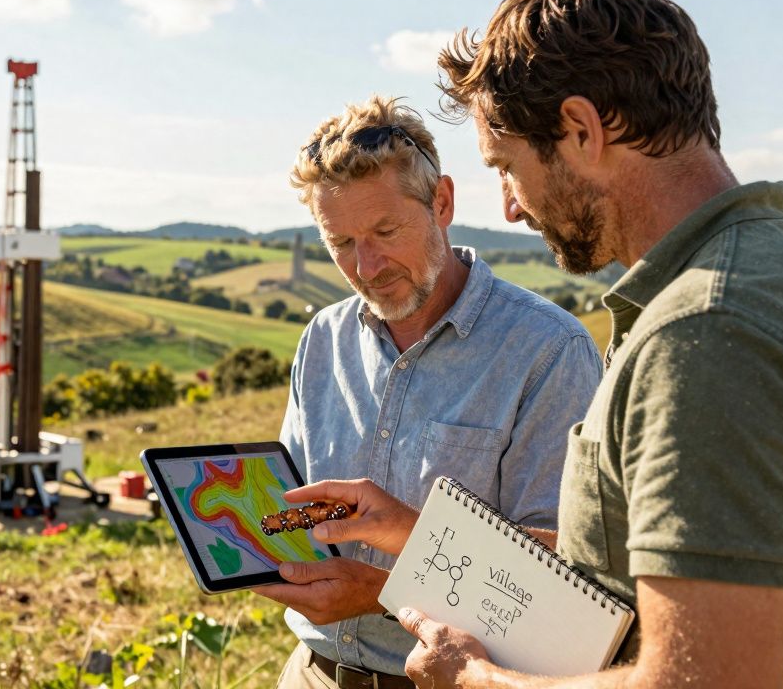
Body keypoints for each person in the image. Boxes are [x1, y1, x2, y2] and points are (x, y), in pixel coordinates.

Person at [309, 0, 783, 688]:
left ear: (582, 130)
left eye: (506, 167)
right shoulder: (771, 272)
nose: (509, 207)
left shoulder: (706, 331)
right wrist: (414, 537)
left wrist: (476, 680)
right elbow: (621, 586)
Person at [253, 96, 602, 688]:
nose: (366, 266)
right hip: (308, 673)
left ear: (441, 201)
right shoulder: (323, 338)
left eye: (386, 230)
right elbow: (293, 510)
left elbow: (567, 582)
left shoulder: (548, 350)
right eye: (339, 243)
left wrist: (386, 592)